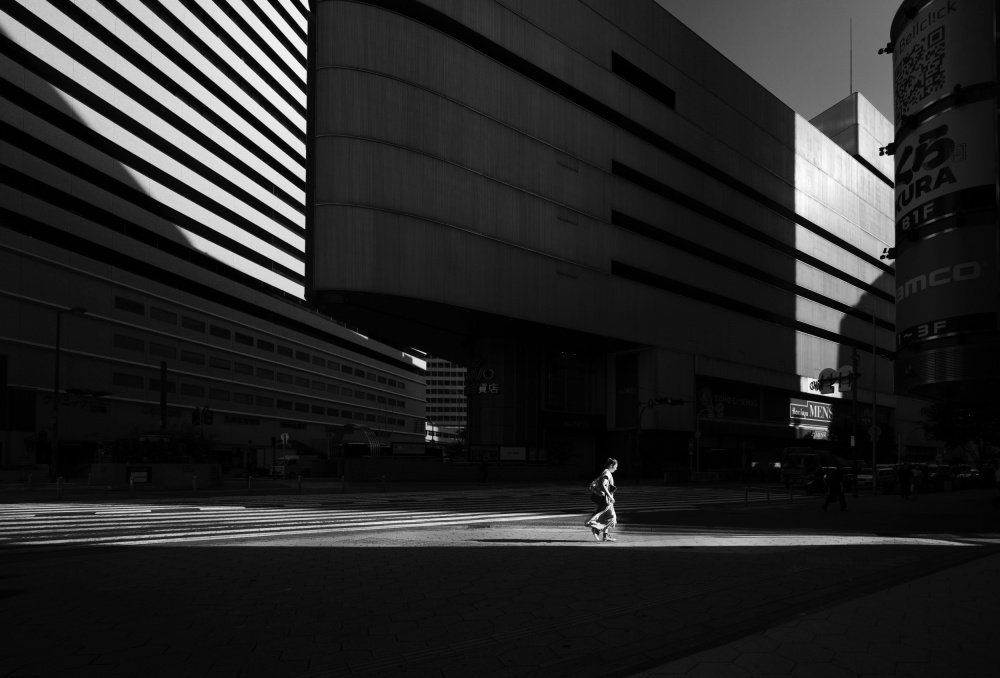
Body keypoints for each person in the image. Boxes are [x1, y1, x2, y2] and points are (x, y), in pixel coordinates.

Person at [585, 458, 619, 542]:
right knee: (612, 518)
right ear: (611, 465)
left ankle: (605, 535)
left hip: (606, 500)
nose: (616, 469)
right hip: (606, 500)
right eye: (615, 467)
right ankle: (595, 527)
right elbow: (604, 485)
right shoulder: (607, 472)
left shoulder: (606, 472)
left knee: (606, 517)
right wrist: (610, 497)